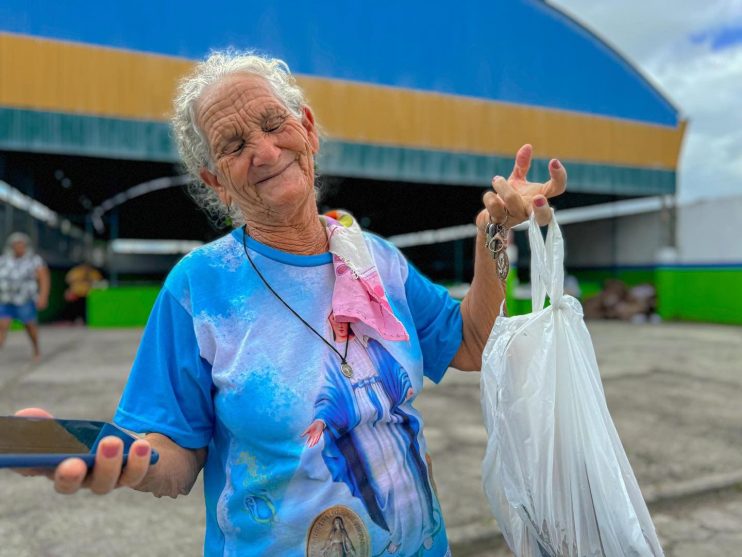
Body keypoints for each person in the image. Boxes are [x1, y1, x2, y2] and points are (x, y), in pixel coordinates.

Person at [17, 50, 565, 556]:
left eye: (274, 123)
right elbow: (176, 456)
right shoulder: (198, 289)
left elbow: (471, 343)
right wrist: (132, 462)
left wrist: (494, 232)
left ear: (306, 129)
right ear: (216, 181)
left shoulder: (375, 259)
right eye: (233, 146)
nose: (263, 150)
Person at [0, 232, 50, 360]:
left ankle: (36, 348)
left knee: (29, 325)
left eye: (21, 245)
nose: (19, 247)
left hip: (25, 299)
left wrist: (43, 296)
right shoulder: (4, 260)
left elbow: (44, 278)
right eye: (16, 245)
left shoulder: (34, 260)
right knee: (2, 325)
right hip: (6, 299)